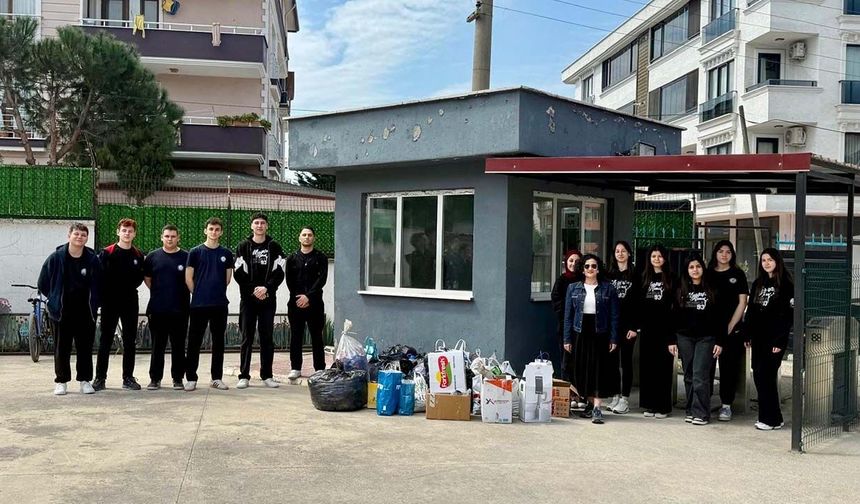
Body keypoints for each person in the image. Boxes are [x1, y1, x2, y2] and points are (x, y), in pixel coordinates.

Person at [38, 223, 102, 396]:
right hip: (61, 312)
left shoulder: (92, 259)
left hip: (85, 312)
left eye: (83, 235)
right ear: (69, 236)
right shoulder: (56, 258)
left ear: (87, 238)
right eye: (76, 234)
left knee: (85, 348)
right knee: (61, 348)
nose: (79, 237)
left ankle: (85, 380)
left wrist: (95, 303)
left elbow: (99, 284)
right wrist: (54, 299)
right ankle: (61, 381)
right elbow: (43, 283)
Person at [563, 254, 620, 425]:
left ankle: (597, 407)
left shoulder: (608, 289)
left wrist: (614, 338)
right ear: (582, 268)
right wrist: (567, 338)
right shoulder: (573, 288)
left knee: (597, 370)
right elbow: (568, 316)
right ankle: (588, 403)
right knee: (581, 369)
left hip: (600, 333)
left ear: (598, 268)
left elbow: (614, 316)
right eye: (587, 266)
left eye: (593, 266)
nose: (590, 269)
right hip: (580, 332)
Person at [233, 212, 285, 389]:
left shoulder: (274, 246)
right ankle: (244, 376)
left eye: (262, 223)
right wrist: (254, 290)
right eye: (256, 222)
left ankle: (267, 375)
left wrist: (266, 288)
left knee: (267, 337)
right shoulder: (243, 246)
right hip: (248, 299)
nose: (259, 225)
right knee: (247, 337)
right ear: (251, 226)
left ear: (267, 226)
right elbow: (239, 272)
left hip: (268, 299)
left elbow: (279, 272)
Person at [669, 255, 722, 426]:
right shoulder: (680, 288)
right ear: (687, 270)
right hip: (684, 337)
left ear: (703, 268)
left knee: (700, 374)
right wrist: (672, 340)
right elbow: (674, 315)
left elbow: (720, 317)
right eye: (691, 267)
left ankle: (702, 413)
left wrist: (720, 341)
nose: (695, 270)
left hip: (706, 338)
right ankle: (691, 409)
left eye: (698, 266)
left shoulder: (712, 288)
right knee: (689, 374)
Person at [745, 248, 793, 431]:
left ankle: (770, 419)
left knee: (767, 377)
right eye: (763, 260)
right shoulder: (758, 283)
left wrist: (779, 342)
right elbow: (751, 311)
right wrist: (747, 333)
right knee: (758, 375)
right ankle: (773, 417)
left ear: (777, 261)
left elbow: (788, 317)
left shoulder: (787, 285)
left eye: (770, 260)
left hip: (775, 340)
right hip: (758, 338)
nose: (766, 263)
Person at [94, 218, 144, 391]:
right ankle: (100, 378)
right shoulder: (107, 253)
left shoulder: (138, 255)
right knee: (105, 340)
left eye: (130, 231)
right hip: (110, 301)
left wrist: (127, 288)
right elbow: (99, 277)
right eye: (124, 230)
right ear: (118, 232)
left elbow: (139, 278)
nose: (127, 233)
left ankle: (128, 378)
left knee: (130, 340)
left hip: (130, 300)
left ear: (134, 234)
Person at [185, 217, 234, 392]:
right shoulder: (195, 252)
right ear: (205, 230)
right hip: (199, 305)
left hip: (219, 304)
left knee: (218, 342)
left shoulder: (227, 254)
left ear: (221, 232)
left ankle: (216, 378)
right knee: (194, 342)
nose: (214, 232)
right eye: (211, 229)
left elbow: (227, 279)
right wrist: (198, 293)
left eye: (217, 229)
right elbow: (188, 278)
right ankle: (191, 378)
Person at [706, 240, 749, 422]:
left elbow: (742, 302)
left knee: (728, 368)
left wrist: (731, 325)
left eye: (728, 252)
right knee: (705, 367)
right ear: (715, 253)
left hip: (732, 329)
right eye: (721, 251)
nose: (724, 255)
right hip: (708, 328)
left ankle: (726, 405)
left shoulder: (737, 274)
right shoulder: (707, 274)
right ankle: (704, 401)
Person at [143, 224, 189, 391]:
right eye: (167, 236)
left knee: (178, 346)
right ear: (161, 237)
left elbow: (191, 279)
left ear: (178, 238)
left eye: (173, 236)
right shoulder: (152, 257)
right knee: (157, 346)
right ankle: (155, 379)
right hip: (158, 309)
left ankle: (178, 378)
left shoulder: (186, 256)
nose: (170, 239)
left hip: (180, 309)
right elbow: (148, 280)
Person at [637, 244, 676, 418]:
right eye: (653, 256)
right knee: (648, 367)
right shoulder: (644, 277)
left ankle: (662, 406)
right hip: (647, 329)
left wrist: (672, 336)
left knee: (663, 368)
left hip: (665, 329)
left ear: (665, 258)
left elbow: (675, 306)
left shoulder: (672, 278)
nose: (656, 259)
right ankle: (649, 405)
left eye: (659, 256)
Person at [286, 226, 329, 379]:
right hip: (296, 303)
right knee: (296, 336)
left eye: (310, 235)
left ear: (314, 238)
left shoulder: (321, 258)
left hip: (315, 303)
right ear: (299, 238)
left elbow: (321, 280)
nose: (307, 237)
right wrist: (299, 297)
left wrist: (308, 297)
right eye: (304, 234)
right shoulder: (291, 258)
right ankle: (295, 368)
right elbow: (289, 280)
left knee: (317, 336)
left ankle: (319, 368)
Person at [606, 240, 639, 414]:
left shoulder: (635, 275)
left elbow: (639, 303)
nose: (620, 253)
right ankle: (615, 395)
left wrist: (635, 327)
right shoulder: (609, 275)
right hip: (612, 326)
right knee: (612, 362)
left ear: (629, 254)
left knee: (626, 362)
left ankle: (625, 398)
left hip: (628, 327)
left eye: (623, 251)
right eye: (617, 251)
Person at [551, 249, 581, 387]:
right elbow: (556, 299)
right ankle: (567, 393)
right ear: (566, 262)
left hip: (582, 325)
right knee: (566, 360)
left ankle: (580, 394)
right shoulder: (562, 280)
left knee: (579, 360)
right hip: (565, 325)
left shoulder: (584, 279)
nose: (573, 264)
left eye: (577, 261)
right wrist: (567, 313)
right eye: (571, 260)